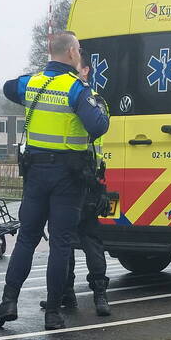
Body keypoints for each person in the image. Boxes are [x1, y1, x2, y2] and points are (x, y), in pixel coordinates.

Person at [0, 31, 110, 330]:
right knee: (61, 243)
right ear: (71, 53)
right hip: (67, 177)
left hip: (36, 174)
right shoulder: (77, 88)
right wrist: (95, 103)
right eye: (78, 49)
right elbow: (98, 126)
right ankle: (53, 312)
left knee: (26, 238)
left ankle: (9, 301)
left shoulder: (32, 83)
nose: (79, 53)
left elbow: (8, 87)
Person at [40, 57, 112, 317]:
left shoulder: (91, 99)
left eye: (76, 69)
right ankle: (66, 292)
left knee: (89, 239)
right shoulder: (78, 98)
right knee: (64, 240)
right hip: (69, 177)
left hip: (87, 179)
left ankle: (99, 294)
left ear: (86, 71)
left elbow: (95, 132)